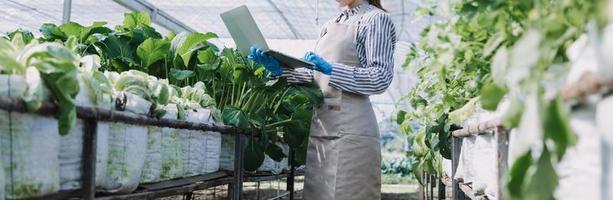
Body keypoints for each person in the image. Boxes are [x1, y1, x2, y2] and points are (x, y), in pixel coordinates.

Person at [249, 0, 396, 199]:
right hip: (322, 128)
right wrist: (281, 70)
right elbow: (316, 77)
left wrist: (332, 69)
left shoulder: (375, 19)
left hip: (353, 132)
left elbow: (380, 77)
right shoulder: (329, 25)